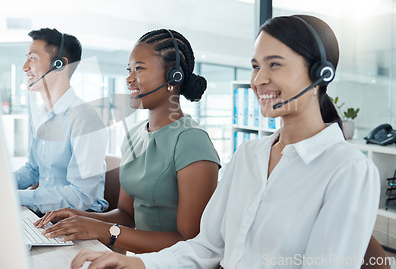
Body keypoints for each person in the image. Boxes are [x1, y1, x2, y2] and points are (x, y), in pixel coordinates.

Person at [70, 15, 381, 269]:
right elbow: (206, 246)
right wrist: (137, 265)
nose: (258, 80)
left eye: (274, 64)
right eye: (256, 66)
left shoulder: (348, 169)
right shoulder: (249, 155)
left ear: (320, 74)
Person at [34, 29, 221, 254]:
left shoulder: (191, 141)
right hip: (137, 262)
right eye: (129, 70)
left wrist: (104, 231)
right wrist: (83, 217)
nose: (129, 79)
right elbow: (126, 215)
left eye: (139, 69)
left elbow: (191, 243)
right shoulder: (134, 135)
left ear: (174, 76)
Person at [16, 28, 108, 215]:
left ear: (59, 64)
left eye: (32, 58)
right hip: (46, 213)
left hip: (82, 219)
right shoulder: (41, 114)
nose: (24, 67)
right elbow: (33, 170)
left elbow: (80, 197)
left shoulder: (85, 119)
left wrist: (14, 197)